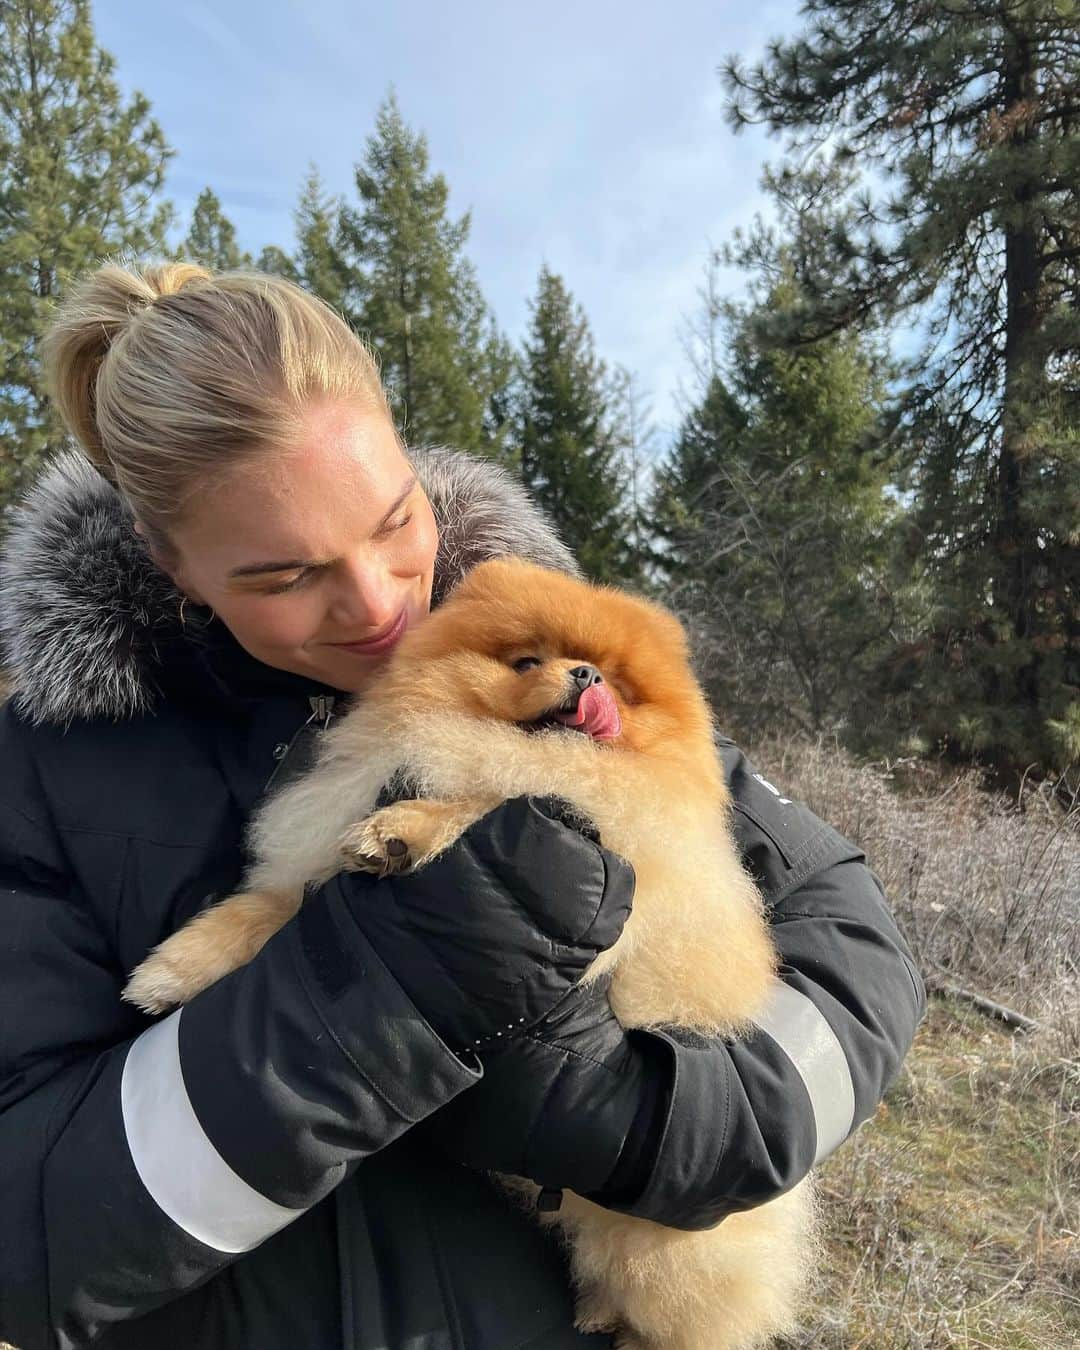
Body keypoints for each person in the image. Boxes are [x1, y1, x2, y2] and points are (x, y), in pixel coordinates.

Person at [0, 262, 926, 1350]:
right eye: (284, 578)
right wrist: (379, 997)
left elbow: (856, 941)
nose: (381, 603)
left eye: (396, 520)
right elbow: (31, 1237)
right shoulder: (50, 768)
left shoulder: (548, 653)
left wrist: (649, 1121)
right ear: (174, 565)